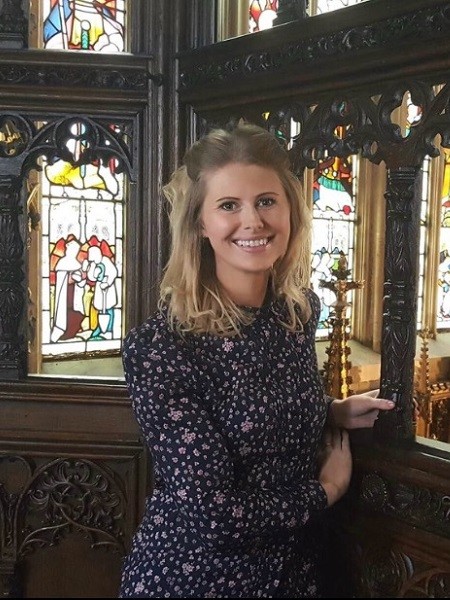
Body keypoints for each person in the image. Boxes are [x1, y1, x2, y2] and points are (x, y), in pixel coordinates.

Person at [120, 123, 396, 598]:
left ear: (291, 211)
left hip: (294, 572)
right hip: (196, 578)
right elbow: (215, 516)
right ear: (200, 224)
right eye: (229, 205)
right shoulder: (161, 349)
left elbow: (258, 413)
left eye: (267, 201)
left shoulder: (297, 312)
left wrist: (330, 411)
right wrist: (326, 491)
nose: (253, 221)